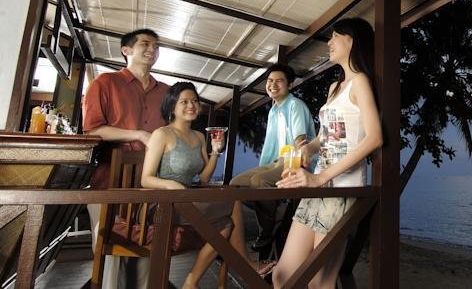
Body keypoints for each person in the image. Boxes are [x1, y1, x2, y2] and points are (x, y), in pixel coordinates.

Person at [272, 18, 383, 289]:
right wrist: (304, 150)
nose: (329, 43)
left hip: (342, 190)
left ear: (352, 40)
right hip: (318, 187)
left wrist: (321, 178)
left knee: (319, 283)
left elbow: (374, 138)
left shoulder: (360, 82)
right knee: (282, 276)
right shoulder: (335, 88)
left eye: (335, 36)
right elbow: (324, 137)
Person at [140, 82, 250, 289]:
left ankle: (191, 281)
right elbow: (146, 179)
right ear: (172, 106)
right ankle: (246, 265)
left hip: (188, 201)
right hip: (162, 205)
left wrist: (215, 152)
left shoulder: (199, 136)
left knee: (226, 225)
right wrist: (172, 185)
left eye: (194, 101)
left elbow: (204, 178)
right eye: (184, 102)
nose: (191, 105)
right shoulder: (162, 134)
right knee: (232, 203)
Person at [83, 28, 168, 288]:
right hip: (109, 185)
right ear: (126, 50)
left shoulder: (167, 92)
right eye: (145, 44)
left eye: (156, 45)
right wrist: (139, 134)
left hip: (151, 187)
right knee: (110, 256)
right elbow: (92, 130)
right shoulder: (104, 83)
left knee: (149, 256)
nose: (152, 49)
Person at [229, 64, 316, 252]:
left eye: (279, 81)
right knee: (236, 185)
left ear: (290, 85)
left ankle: (268, 229)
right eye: (270, 81)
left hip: (296, 161)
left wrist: (296, 167)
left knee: (259, 182)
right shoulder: (273, 110)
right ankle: (275, 215)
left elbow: (301, 140)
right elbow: (269, 145)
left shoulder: (295, 105)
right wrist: (263, 169)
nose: (273, 85)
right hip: (276, 162)